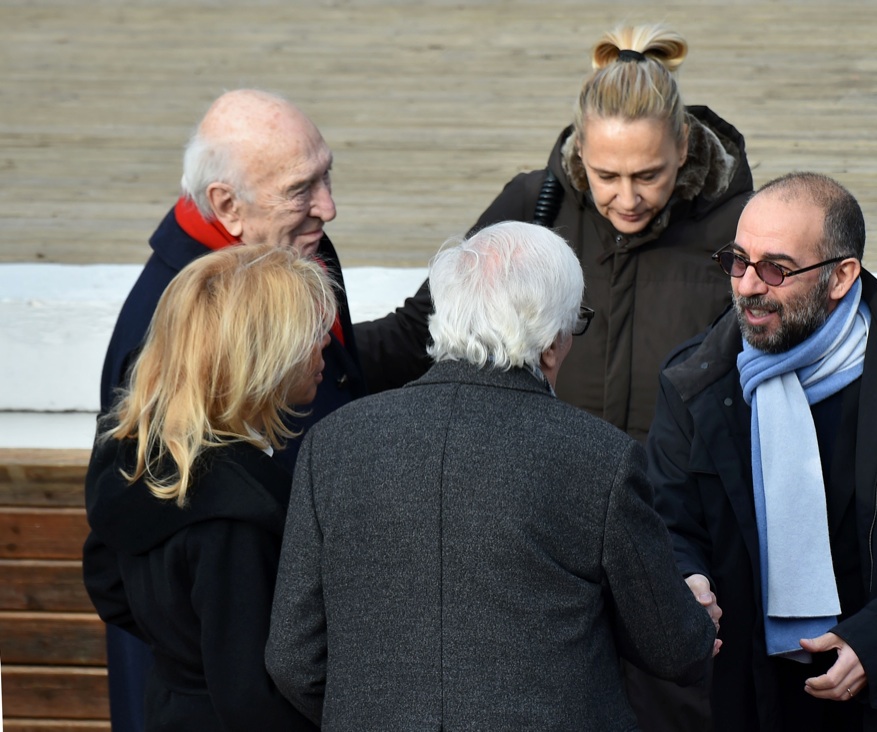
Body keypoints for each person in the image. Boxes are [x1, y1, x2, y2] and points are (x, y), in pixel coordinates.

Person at [265, 221, 718, 731]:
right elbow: (674, 648)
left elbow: (293, 658)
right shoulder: (601, 457)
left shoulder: (334, 443)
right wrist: (697, 618)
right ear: (550, 342)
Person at [93, 88, 433, 731]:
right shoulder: (173, 326)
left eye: (327, 174)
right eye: (303, 189)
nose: (329, 207)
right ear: (227, 204)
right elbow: (243, 679)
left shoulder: (284, 253)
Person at [648, 172, 877, 731]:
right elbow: (667, 520)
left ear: (841, 276)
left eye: (776, 268)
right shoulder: (696, 381)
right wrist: (686, 578)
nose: (749, 285)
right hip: (757, 700)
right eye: (737, 260)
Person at [83, 243, 336, 731]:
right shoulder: (235, 514)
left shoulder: (136, 459)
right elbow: (250, 693)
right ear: (262, 355)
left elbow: (106, 584)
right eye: (309, 331)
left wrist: (183, 654)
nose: (325, 341)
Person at [469, 24, 753, 443]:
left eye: (648, 175)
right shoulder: (531, 205)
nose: (628, 198)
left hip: (679, 499)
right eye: (606, 175)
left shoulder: (744, 227)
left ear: (683, 146)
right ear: (580, 149)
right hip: (551, 485)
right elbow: (427, 324)